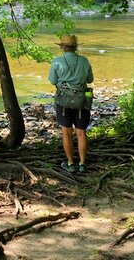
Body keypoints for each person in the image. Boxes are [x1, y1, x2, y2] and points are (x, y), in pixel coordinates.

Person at [48, 34, 93, 173]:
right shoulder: (84, 61)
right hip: (81, 101)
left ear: (62, 47)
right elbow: (90, 79)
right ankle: (82, 164)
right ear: (75, 48)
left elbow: (52, 81)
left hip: (63, 100)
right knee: (81, 133)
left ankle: (70, 163)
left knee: (66, 133)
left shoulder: (56, 61)